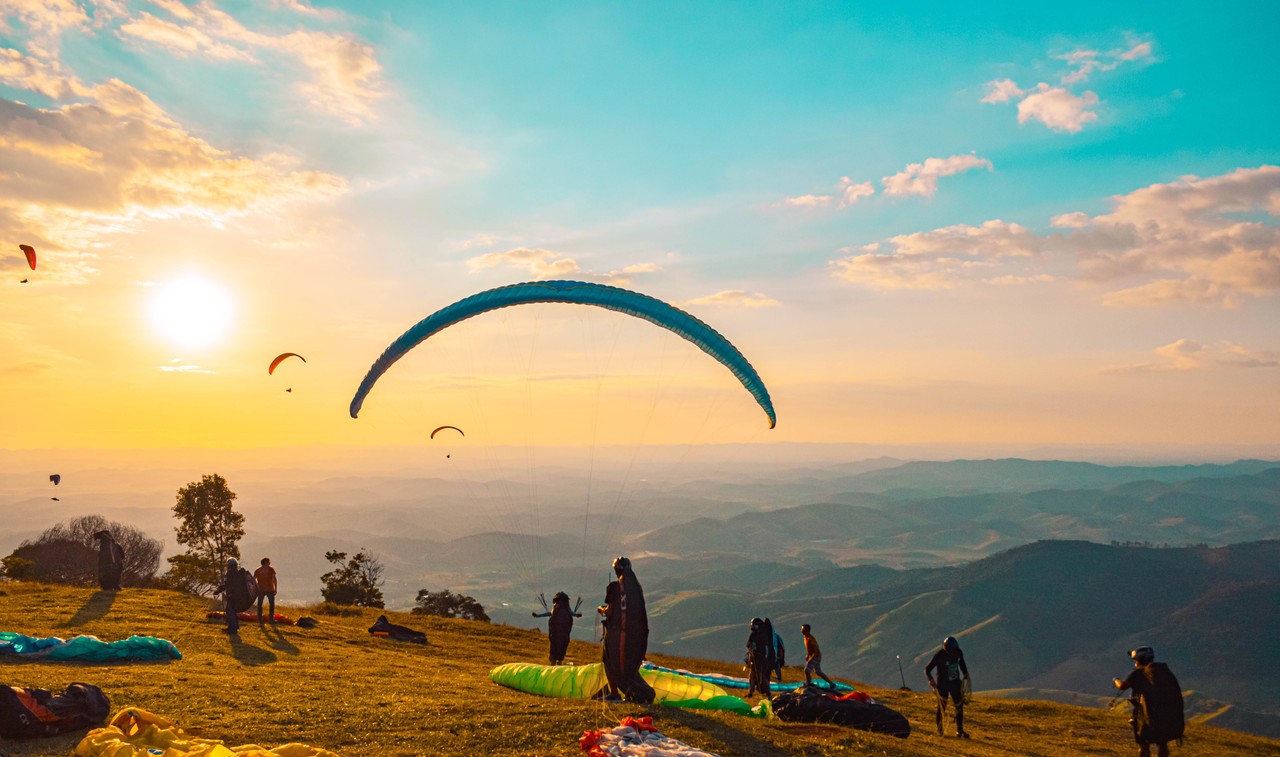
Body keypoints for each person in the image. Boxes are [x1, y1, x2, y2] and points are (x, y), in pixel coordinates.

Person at [597, 556, 654, 704]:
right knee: (629, 665)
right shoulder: (635, 588)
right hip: (635, 635)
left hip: (617, 634)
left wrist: (601, 610)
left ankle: (616, 693)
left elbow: (610, 612)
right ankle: (632, 693)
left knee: (609, 661)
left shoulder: (615, 587)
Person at [1113, 646, 1184, 757]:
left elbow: (1123, 686)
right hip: (1164, 716)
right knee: (1162, 743)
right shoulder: (1162, 671)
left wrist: (1115, 680)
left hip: (1145, 716)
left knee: (1143, 744)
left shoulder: (1139, 673)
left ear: (1137, 660)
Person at [925, 636, 971, 738]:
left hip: (955, 684)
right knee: (942, 707)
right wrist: (930, 679)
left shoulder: (958, 652)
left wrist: (965, 674)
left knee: (959, 706)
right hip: (943, 685)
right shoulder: (939, 656)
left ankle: (960, 730)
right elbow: (927, 669)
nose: (954, 652)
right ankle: (940, 730)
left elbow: (961, 663)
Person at [532, 592, 581, 665]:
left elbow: (549, 614)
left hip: (555, 633)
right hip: (564, 633)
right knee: (563, 644)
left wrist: (537, 616)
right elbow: (571, 613)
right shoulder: (566, 609)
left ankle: (553, 660)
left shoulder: (555, 609)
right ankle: (559, 661)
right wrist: (577, 615)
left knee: (554, 645)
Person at [215, 557, 252, 636]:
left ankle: (232, 629)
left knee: (230, 612)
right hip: (239, 596)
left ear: (229, 565)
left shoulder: (231, 573)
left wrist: (218, 590)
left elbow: (228, 584)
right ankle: (233, 627)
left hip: (233, 596)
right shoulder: (239, 573)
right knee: (232, 612)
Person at [801, 623, 836, 689]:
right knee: (818, 672)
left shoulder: (811, 638)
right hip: (814, 656)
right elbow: (809, 648)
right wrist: (808, 655)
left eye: (803, 629)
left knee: (807, 670)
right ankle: (831, 683)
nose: (801, 631)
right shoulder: (805, 638)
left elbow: (816, 649)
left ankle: (809, 684)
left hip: (816, 656)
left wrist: (810, 659)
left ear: (807, 630)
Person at [253, 557, 278, 625]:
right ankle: (265, 620)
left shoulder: (259, 570)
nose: (269, 563)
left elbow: (253, 580)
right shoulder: (270, 570)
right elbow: (274, 579)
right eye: (268, 562)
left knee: (266, 605)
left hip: (265, 589)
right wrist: (275, 589)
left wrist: (275, 589)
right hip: (265, 589)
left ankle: (266, 620)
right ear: (265, 563)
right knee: (265, 605)